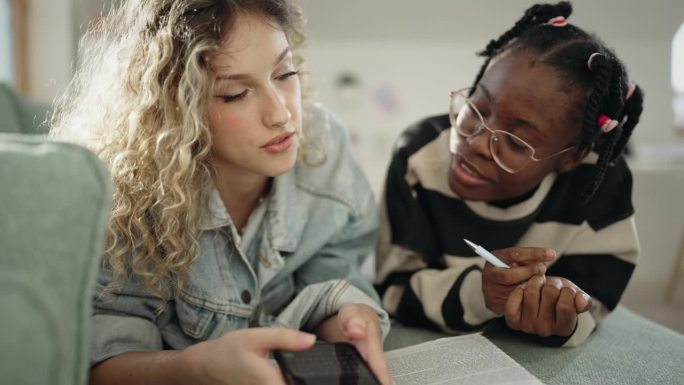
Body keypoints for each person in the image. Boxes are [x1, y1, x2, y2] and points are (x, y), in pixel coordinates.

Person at [49, 0, 391, 384]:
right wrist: (196, 368)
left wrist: (347, 317)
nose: (280, 114)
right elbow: (103, 360)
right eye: (235, 94)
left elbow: (331, 278)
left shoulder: (325, 149)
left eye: (284, 72)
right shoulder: (125, 198)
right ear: (176, 107)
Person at [375, 1, 643, 347]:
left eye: (516, 143)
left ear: (571, 159)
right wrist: (480, 293)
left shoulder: (600, 180)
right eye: (477, 108)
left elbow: (596, 299)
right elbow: (393, 289)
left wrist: (564, 314)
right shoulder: (419, 157)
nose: (476, 143)